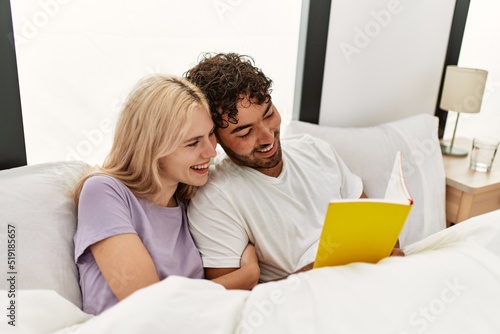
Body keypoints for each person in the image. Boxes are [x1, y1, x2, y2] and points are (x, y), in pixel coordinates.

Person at [184, 52, 403, 284]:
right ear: (215, 138)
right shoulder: (215, 198)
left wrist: (387, 249)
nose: (267, 137)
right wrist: (322, 271)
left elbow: (380, 227)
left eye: (269, 115)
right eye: (245, 132)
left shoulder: (316, 151)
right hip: (309, 301)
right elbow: (231, 301)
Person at [73, 74, 259, 315]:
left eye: (210, 134)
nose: (211, 151)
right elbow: (149, 305)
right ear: (152, 147)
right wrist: (246, 276)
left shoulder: (189, 200)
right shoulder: (103, 192)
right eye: (193, 143)